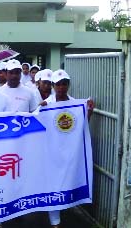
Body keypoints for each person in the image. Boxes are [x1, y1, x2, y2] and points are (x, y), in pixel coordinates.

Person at [42, 69, 94, 228]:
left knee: (66, 183)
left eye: (64, 84)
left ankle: (64, 210)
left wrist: (89, 112)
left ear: (68, 85)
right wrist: (40, 110)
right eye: (58, 84)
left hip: (70, 152)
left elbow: (82, 126)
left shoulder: (76, 104)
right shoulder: (46, 104)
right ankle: (55, 222)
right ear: (52, 86)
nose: (61, 87)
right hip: (51, 153)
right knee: (52, 185)